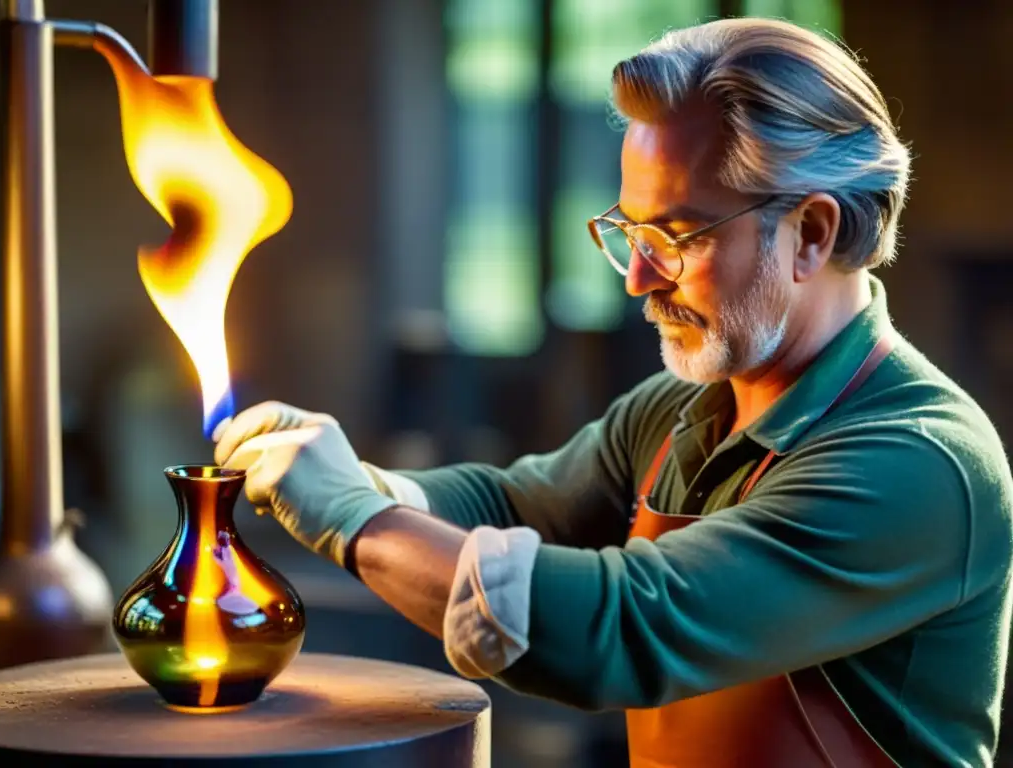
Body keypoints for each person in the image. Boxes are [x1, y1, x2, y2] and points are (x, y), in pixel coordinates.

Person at [214, 16, 1013, 768]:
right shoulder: (681, 410)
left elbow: (629, 627)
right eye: (630, 232)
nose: (637, 277)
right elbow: (512, 506)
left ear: (810, 232)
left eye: (674, 237)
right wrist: (349, 477)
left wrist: (354, 517)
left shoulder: (918, 462)